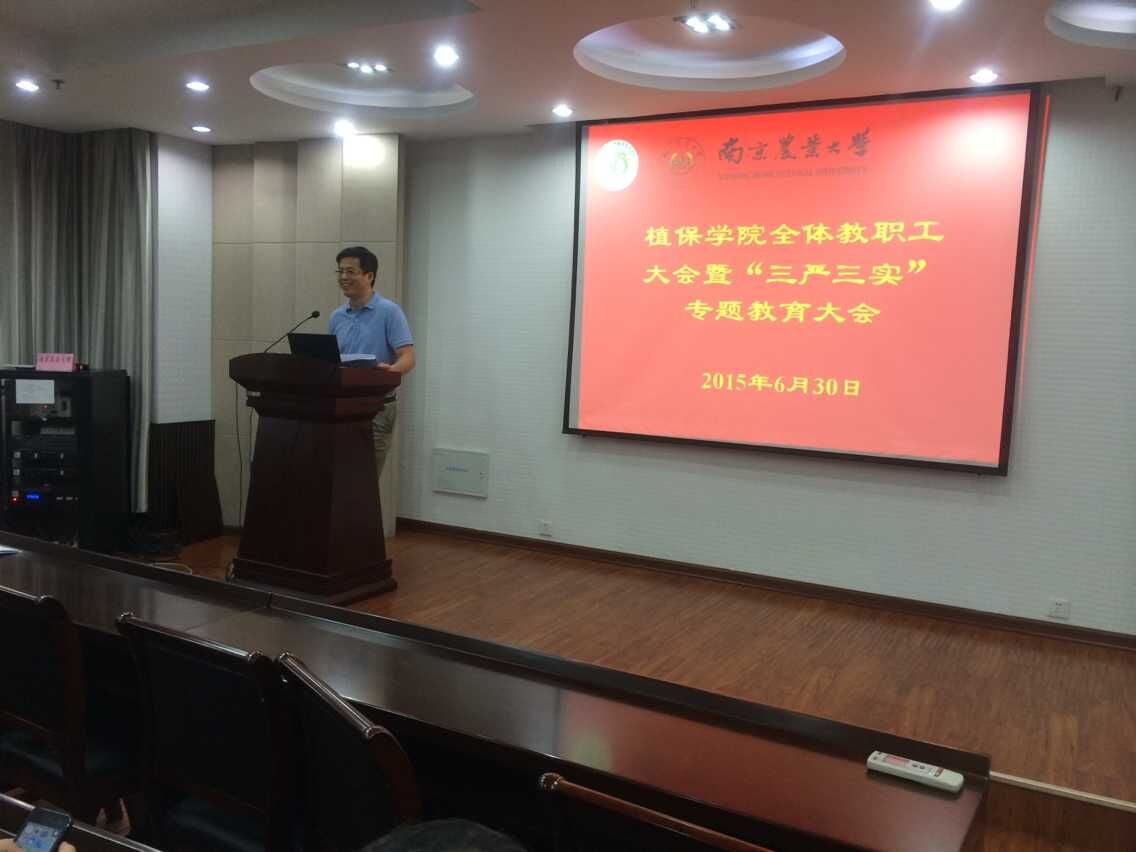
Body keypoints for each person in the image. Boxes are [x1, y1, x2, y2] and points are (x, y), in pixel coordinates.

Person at [328, 246, 415, 479]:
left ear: (369, 275)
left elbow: (408, 357)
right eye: (340, 271)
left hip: (376, 408)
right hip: (341, 406)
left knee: (364, 481)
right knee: (339, 480)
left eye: (351, 271)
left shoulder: (389, 311)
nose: (344, 277)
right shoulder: (336, 316)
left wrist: (390, 371)